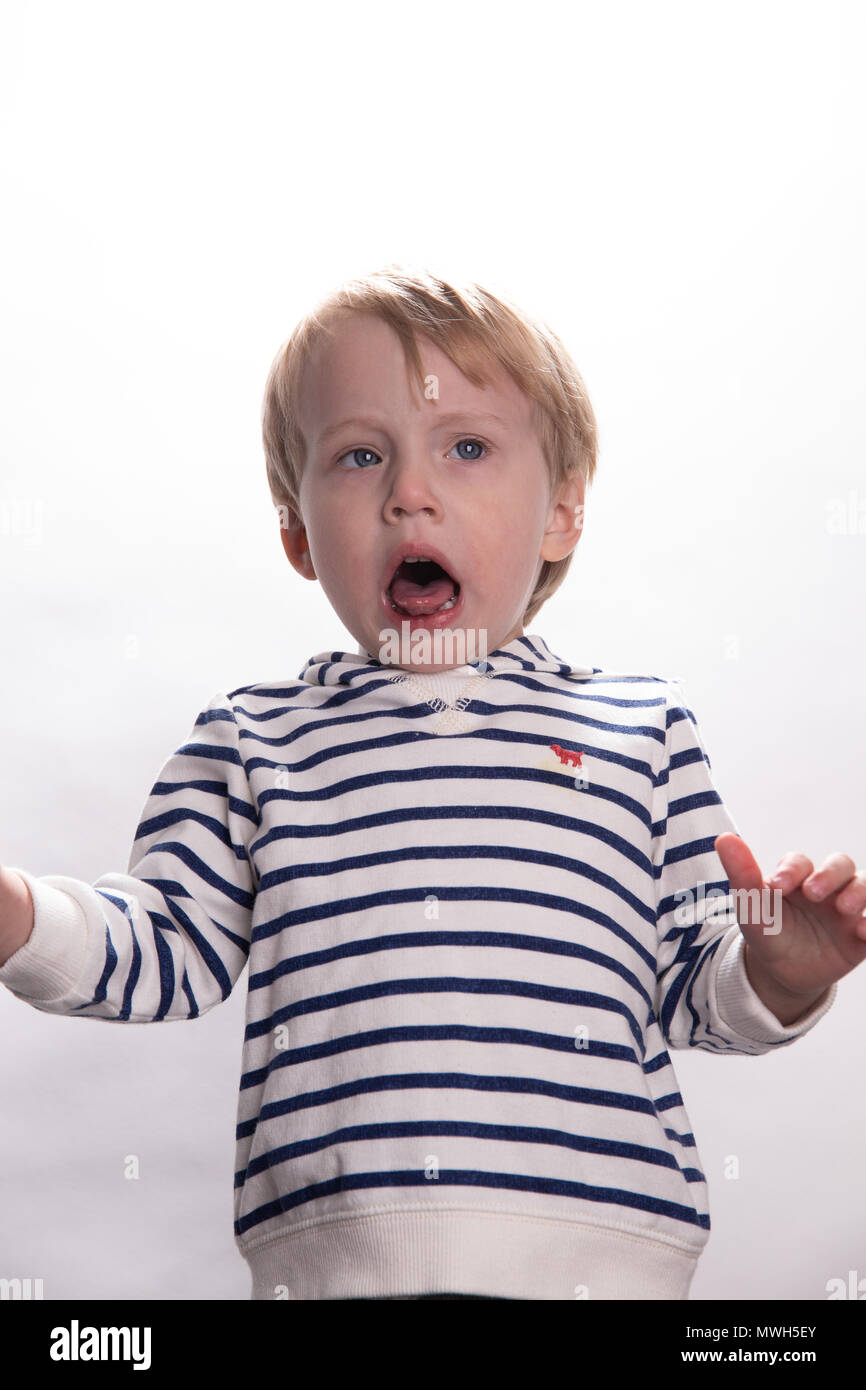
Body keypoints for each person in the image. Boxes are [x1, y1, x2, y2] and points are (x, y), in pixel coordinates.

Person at [2, 265, 864, 1301]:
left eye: (465, 448)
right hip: (333, 1271)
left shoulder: (639, 729)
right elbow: (164, 945)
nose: (409, 490)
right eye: (360, 454)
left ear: (558, 516)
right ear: (295, 534)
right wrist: (21, 917)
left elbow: (696, 980)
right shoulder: (255, 738)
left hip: (606, 1265)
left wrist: (782, 971)